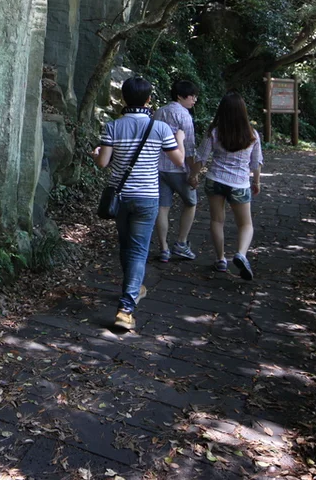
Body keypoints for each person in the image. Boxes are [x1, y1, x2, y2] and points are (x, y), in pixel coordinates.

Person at [92, 76, 185, 331]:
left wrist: (97, 154)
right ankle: (126, 308)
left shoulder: (113, 126)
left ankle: (134, 289)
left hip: (120, 197)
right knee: (138, 250)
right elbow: (178, 160)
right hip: (147, 197)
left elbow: (103, 163)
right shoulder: (160, 128)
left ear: (124, 98)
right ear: (148, 99)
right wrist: (180, 139)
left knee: (126, 246)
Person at [191, 91, 263, 281]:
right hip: (239, 183)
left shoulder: (214, 132)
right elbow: (256, 163)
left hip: (215, 180)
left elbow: (202, 157)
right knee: (245, 224)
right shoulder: (252, 134)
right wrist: (256, 181)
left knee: (217, 220)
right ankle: (241, 254)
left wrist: (193, 175)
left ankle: (221, 259)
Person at [152, 79, 200, 262]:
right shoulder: (184, 116)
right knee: (191, 202)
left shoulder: (159, 112)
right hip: (178, 168)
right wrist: (193, 172)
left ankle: (164, 248)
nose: (194, 99)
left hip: (158, 166)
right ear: (180, 96)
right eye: (191, 96)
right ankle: (181, 243)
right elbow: (189, 147)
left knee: (162, 207)